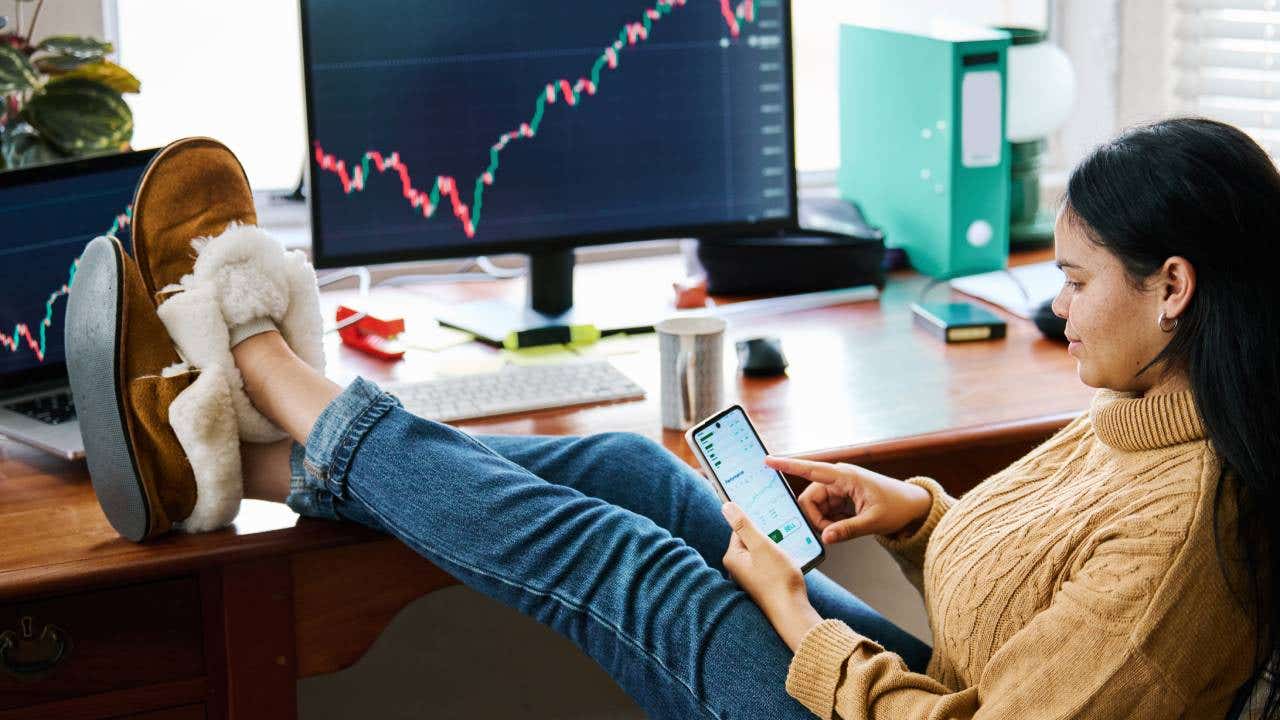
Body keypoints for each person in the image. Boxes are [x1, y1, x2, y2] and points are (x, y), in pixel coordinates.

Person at [67, 117, 1277, 719]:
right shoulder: (1154, 402)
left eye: (1072, 282)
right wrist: (913, 512)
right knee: (622, 469)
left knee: (625, 559)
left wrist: (796, 616)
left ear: (1170, 288)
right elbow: (1049, 576)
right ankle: (249, 458)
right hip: (937, 683)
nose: (1052, 307)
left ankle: (268, 376)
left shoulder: (1179, 542)